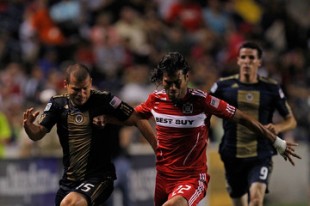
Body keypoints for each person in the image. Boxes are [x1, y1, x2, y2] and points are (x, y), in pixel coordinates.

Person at [103, 52, 300, 206]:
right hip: (163, 178)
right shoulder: (156, 99)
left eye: (176, 83)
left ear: (187, 77)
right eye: (167, 83)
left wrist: (275, 141)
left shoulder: (202, 101)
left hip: (192, 178)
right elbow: (134, 117)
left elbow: (243, 118)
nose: (172, 89)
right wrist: (106, 119)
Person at [23, 63, 156, 206]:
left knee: (70, 203)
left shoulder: (105, 100)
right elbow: (38, 134)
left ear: (91, 83)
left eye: (85, 89)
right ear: (66, 84)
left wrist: (158, 150)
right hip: (69, 182)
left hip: (100, 178)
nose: (81, 94)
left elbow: (138, 118)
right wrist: (29, 128)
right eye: (76, 89)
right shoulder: (57, 104)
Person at [210, 41, 298, 206]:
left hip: (260, 154)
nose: (247, 61)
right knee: (239, 202)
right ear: (238, 60)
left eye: (251, 58)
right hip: (232, 154)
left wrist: (277, 128)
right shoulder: (223, 86)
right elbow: (204, 110)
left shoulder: (271, 88)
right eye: (243, 57)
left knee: (256, 200)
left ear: (259, 62)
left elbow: (291, 120)